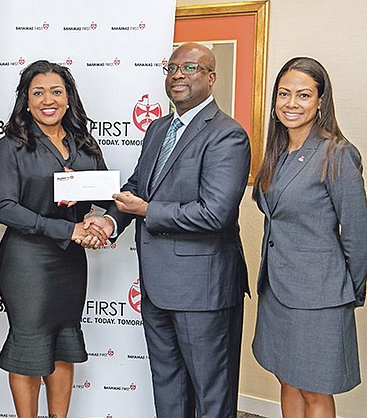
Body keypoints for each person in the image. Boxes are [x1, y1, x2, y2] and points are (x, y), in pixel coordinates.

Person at [87, 42, 251, 417]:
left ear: (211, 78)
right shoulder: (159, 128)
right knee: (168, 385)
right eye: (172, 67)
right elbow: (138, 187)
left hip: (203, 291)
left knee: (212, 394)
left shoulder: (227, 134)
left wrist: (147, 210)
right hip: (157, 287)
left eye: (190, 68)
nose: (178, 74)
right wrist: (110, 220)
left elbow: (215, 214)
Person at [251, 57, 367, 417]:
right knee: (287, 380)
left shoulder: (336, 154)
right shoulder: (278, 152)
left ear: (321, 101)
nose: (292, 103)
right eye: (284, 94)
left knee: (314, 390)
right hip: (277, 288)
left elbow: (359, 234)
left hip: (318, 296)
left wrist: (344, 291)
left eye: (303, 95)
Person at [0, 60, 110, 418]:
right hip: (26, 262)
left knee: (63, 344)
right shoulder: (10, 146)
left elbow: (108, 196)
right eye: (38, 92)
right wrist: (69, 229)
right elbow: (6, 209)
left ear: (68, 97)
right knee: (30, 351)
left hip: (69, 264)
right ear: (25, 101)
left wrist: (107, 224)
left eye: (56, 91)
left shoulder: (84, 145)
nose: (48, 99)